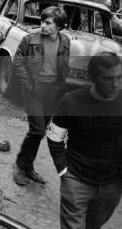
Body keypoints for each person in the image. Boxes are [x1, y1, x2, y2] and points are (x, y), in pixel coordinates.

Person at [47, 53, 122, 229]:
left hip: (111, 185)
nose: (115, 85)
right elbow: (54, 136)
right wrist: (63, 171)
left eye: (119, 77)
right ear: (93, 78)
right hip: (77, 181)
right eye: (108, 78)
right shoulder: (71, 101)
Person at [11, 6, 70, 186]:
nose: (43, 26)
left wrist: (62, 87)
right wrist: (29, 85)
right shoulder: (30, 40)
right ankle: (20, 165)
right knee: (37, 129)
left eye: (48, 23)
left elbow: (64, 67)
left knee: (41, 131)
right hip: (34, 91)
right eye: (42, 21)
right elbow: (17, 63)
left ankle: (28, 167)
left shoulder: (65, 41)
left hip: (53, 92)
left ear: (59, 26)